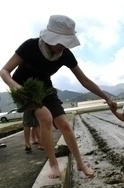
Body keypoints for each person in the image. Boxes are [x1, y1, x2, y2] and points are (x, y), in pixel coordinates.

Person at [0, 15, 117, 178]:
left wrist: (107, 98)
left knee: (64, 124)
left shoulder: (65, 55)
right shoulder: (30, 46)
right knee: (46, 118)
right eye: (59, 41)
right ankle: (53, 164)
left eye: (66, 42)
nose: (62, 46)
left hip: (45, 88)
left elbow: (84, 80)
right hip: (24, 89)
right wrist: (16, 87)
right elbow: (4, 71)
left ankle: (81, 164)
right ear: (49, 36)